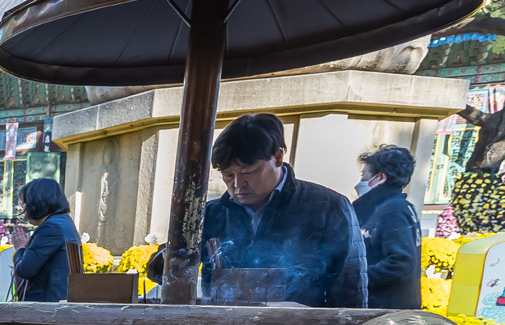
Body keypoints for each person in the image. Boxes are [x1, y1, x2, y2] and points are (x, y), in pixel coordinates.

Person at [147, 113, 367, 307]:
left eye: (248, 172)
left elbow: (350, 288)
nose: (237, 185)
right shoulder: (211, 214)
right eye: (228, 175)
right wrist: (169, 261)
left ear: (278, 157)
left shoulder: (328, 207)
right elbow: (159, 267)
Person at [352, 146, 421, 309]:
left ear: (380, 177)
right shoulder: (397, 206)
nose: (361, 181)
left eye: (365, 174)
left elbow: (400, 262)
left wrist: (356, 278)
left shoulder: (393, 210)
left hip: (386, 308)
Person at [12, 178, 80, 302]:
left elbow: (25, 270)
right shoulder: (64, 221)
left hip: (46, 306)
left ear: (37, 203)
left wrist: (20, 248)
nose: (24, 210)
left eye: (26, 204)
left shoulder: (51, 228)